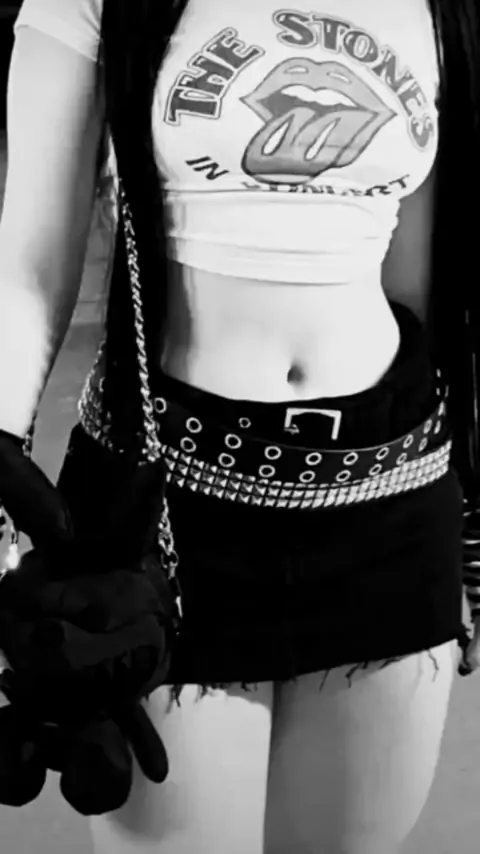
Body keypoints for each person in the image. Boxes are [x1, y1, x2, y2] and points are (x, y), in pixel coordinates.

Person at [2, 0, 480, 852]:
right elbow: (30, 267)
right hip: (162, 512)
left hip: (388, 498)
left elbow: (419, 288)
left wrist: (467, 513)